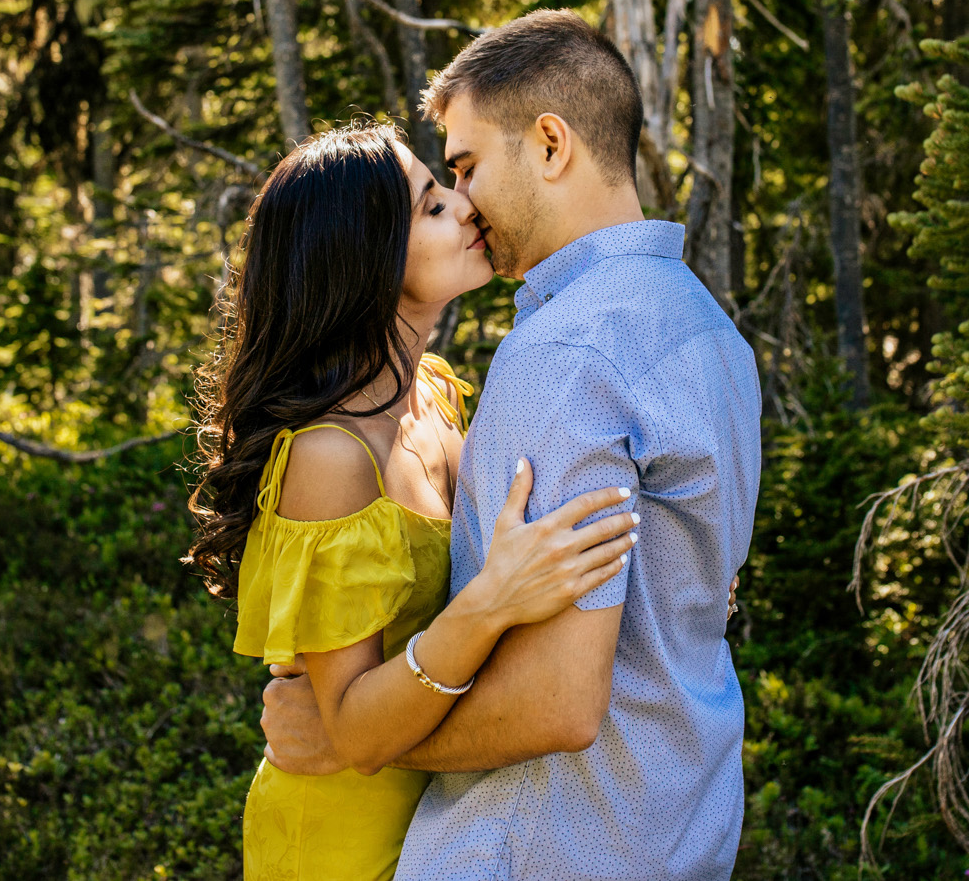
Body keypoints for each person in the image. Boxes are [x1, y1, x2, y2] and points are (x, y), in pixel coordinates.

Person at [259, 10, 763, 881]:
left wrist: (356, 743)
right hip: (679, 826)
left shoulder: (565, 355)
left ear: (551, 145)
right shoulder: (710, 331)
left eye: (465, 166)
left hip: (537, 845)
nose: (465, 203)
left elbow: (559, 704)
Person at [187, 122, 641, 881]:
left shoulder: (431, 392)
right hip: (342, 840)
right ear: (361, 256)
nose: (467, 207)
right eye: (431, 206)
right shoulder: (329, 457)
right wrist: (489, 604)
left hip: (451, 820)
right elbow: (358, 725)